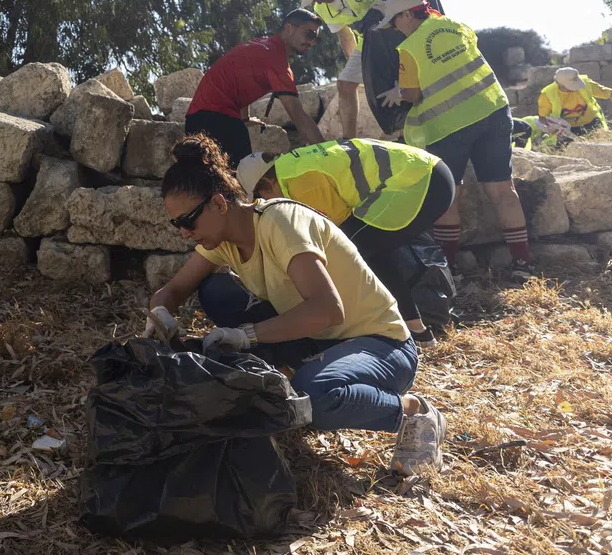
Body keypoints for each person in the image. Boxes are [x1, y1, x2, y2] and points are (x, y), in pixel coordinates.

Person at [148, 135, 445, 475]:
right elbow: (174, 289)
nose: (184, 233)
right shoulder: (223, 240)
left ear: (218, 203)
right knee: (216, 291)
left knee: (312, 398)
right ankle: (295, 374)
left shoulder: (280, 221)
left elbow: (327, 310)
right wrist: (159, 313)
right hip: (321, 340)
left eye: (188, 221)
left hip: (382, 345)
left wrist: (247, 335)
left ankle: (413, 411)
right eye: (176, 224)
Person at [235, 140, 456, 346]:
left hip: (420, 182)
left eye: (262, 200)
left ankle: (405, 330)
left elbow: (337, 235)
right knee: (370, 248)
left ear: (266, 184)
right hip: (425, 173)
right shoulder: (292, 167)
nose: (266, 207)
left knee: (360, 248)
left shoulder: (301, 185)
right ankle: (415, 328)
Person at [375, 0, 533, 270]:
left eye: (394, 21)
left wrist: (398, 92)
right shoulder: (458, 26)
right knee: (502, 190)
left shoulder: (409, 48)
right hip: (494, 111)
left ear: (407, 15)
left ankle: (448, 269)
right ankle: (523, 263)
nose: (395, 29)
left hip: (450, 125)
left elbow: (413, 94)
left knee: (448, 197)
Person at [295, 0, 442, 139]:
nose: (318, 1)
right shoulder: (322, 8)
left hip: (401, 29)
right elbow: (344, 35)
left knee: (414, 73)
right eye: (314, 0)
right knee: (345, 83)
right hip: (369, 42)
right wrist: (365, 69)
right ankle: (350, 140)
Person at [184, 8, 325, 167]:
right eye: (309, 34)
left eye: (316, 39)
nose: (312, 42)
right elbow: (298, 115)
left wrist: (245, 118)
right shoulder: (275, 59)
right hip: (218, 120)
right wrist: (327, 151)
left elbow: (239, 81)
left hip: (195, 118)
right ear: (289, 28)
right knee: (240, 178)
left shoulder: (260, 45)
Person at [538, 67, 612, 137]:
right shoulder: (547, 94)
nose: (576, 88)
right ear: (561, 85)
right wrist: (551, 127)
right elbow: (542, 117)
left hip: (592, 123)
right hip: (567, 129)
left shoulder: (586, 84)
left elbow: (607, 92)